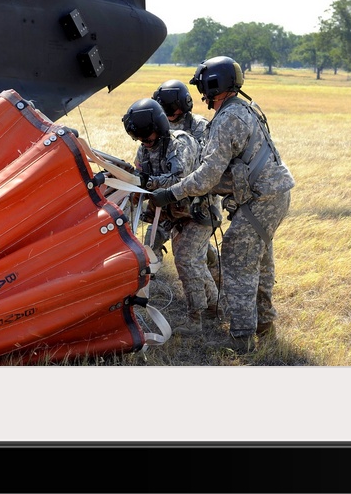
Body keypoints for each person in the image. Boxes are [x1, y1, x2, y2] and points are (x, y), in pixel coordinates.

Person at [151, 57, 295, 353]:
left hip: (261, 199)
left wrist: (172, 193)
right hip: (274, 195)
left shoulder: (227, 119)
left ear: (213, 85)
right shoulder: (244, 108)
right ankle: (265, 324)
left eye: (203, 85)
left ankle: (242, 339)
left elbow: (206, 177)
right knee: (260, 259)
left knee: (238, 259)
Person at [122, 98, 219, 337]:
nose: (145, 143)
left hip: (197, 212)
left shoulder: (181, 143)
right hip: (168, 214)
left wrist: (146, 183)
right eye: (140, 140)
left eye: (148, 137)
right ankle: (215, 304)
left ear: (160, 127)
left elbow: (179, 180)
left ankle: (195, 319)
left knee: (186, 259)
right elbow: (142, 177)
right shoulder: (145, 148)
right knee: (153, 253)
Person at [152, 80, 224, 295]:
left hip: (196, 202)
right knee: (152, 241)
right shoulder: (160, 127)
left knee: (194, 253)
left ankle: (216, 292)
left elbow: (206, 167)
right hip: (167, 200)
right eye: (164, 110)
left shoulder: (201, 127)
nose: (169, 114)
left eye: (171, 109)